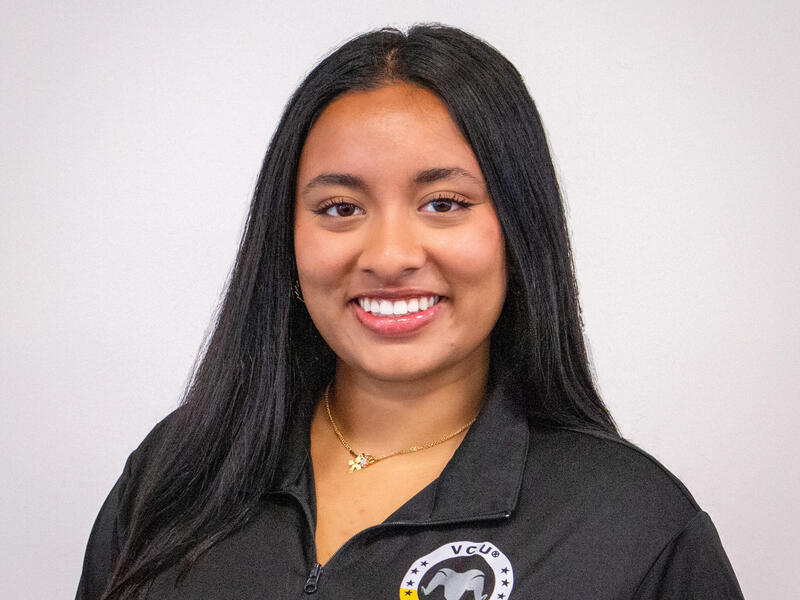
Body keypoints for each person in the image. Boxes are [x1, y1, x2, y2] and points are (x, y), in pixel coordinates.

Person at [76, 24, 744, 600]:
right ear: (287, 239)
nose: (390, 255)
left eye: (444, 203)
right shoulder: (173, 475)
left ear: (520, 229)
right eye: (341, 209)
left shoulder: (633, 526)